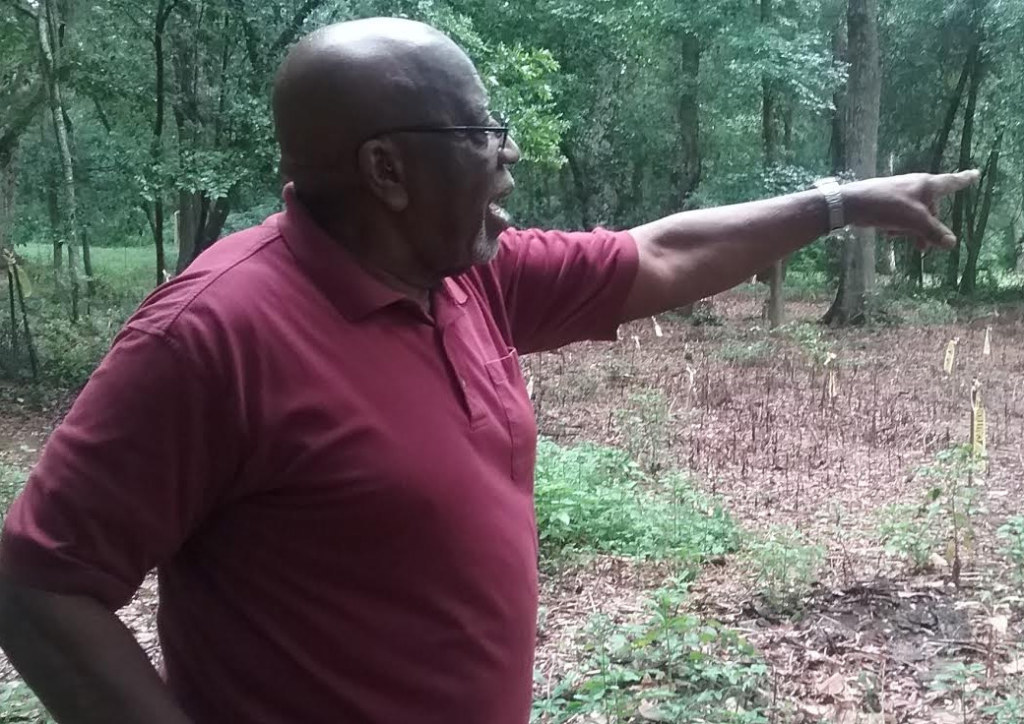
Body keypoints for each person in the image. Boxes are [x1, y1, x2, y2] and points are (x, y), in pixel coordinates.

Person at [0, 16, 977, 724]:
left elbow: (663, 253)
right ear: (386, 170)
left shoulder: (471, 276)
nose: (507, 158)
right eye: (480, 134)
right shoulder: (213, 336)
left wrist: (844, 202)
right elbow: (35, 583)